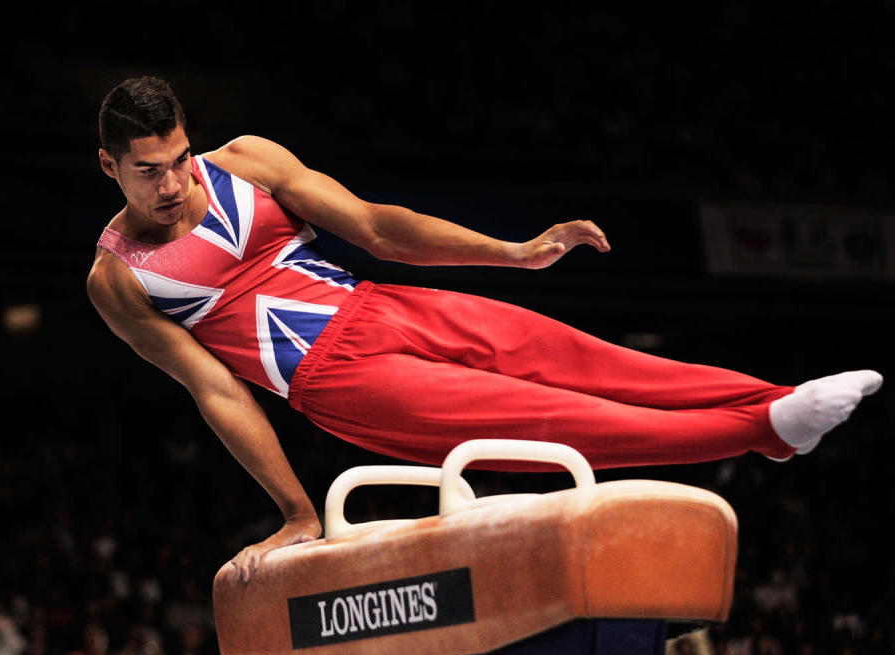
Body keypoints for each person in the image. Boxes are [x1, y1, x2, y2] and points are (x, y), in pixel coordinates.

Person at [87, 76, 882, 583]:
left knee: (582, 357)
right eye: (148, 170)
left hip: (386, 303)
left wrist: (514, 252)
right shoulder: (121, 277)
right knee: (556, 421)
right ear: (108, 167)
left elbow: (376, 227)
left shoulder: (248, 162)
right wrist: (297, 511)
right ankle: (758, 428)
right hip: (337, 380)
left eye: (180, 158)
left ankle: (776, 412)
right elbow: (216, 389)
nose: (173, 182)